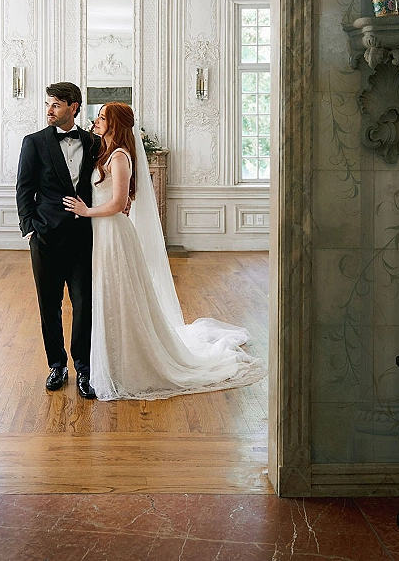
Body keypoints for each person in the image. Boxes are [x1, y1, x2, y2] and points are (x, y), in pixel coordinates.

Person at [63, 102, 267, 400]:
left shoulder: (119, 157)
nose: (96, 121)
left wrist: (86, 210)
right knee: (106, 297)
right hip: (101, 233)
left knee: (118, 296)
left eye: (102, 117)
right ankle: (109, 360)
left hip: (113, 234)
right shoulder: (104, 152)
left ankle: (128, 364)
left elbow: (119, 203)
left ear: (115, 124)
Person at [16, 82, 99, 399]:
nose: (49, 110)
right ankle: (57, 365)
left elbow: (102, 182)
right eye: (47, 104)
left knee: (83, 306)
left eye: (55, 105)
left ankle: (84, 370)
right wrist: (31, 228)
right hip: (45, 238)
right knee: (48, 306)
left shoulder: (93, 142)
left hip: (82, 238)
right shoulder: (34, 143)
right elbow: (24, 188)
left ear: (73, 107)